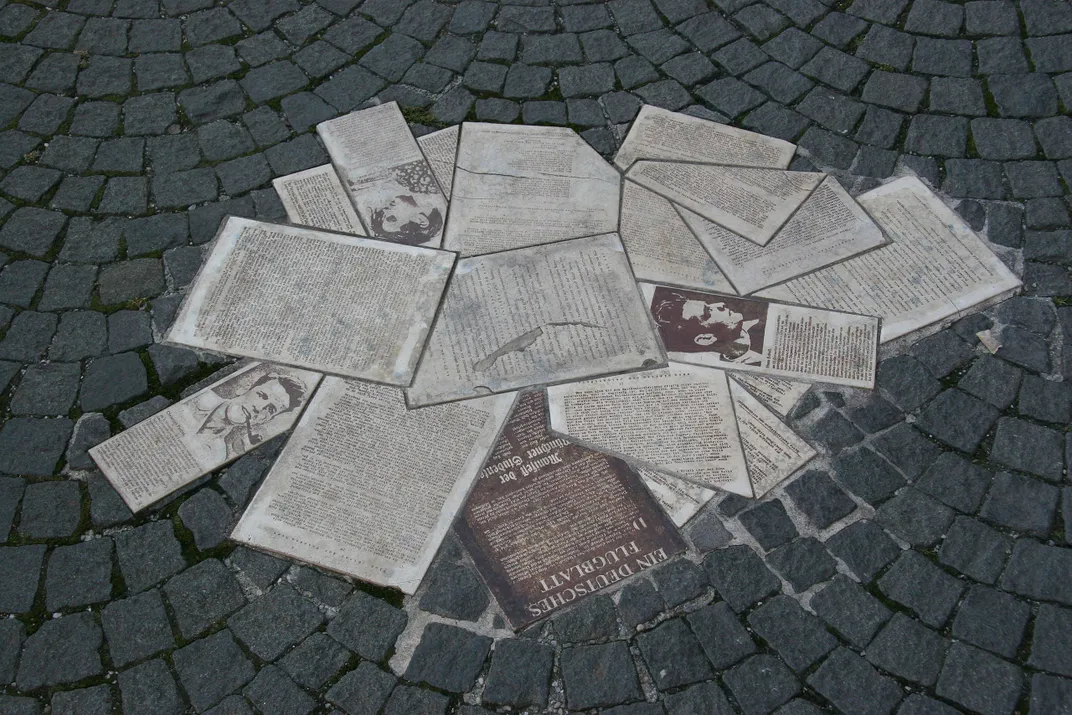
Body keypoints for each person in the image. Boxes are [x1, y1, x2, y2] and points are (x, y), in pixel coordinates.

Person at [194, 373, 307, 459]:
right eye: (261, 395)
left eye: (271, 409)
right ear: (246, 388)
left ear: (265, 421)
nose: (259, 408)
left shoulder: (216, 454)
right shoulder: (195, 400)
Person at [651, 290, 763, 365]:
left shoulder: (762, 317)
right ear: (706, 339)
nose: (721, 304)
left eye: (709, 305)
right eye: (708, 312)